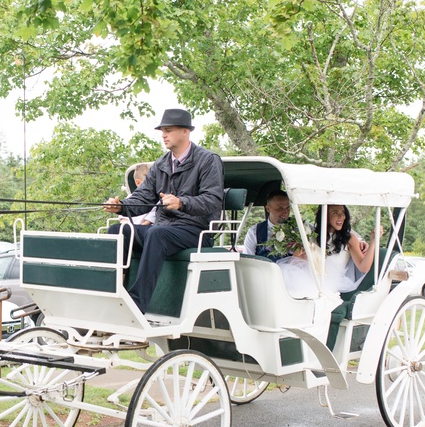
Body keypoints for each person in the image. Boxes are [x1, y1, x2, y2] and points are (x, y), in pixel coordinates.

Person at [104, 108, 224, 313]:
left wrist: (182, 203)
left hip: (195, 230)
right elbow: (143, 198)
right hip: (165, 229)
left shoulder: (208, 160)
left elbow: (212, 200)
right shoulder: (161, 165)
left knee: (157, 233)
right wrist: (121, 206)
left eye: (168, 130)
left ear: (185, 132)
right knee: (119, 231)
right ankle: (112, 293)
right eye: (162, 131)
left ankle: (136, 303)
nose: (163, 135)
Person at [277, 204, 379, 297]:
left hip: (330, 283)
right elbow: (297, 262)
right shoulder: (313, 236)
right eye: (335, 213)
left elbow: (363, 267)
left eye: (343, 213)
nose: (341, 217)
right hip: (310, 277)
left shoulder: (349, 238)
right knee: (283, 284)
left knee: (303, 292)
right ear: (325, 216)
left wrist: (373, 242)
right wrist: (300, 257)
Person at [242, 190, 290, 258]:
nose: (285, 212)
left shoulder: (300, 229)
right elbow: (248, 259)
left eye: (288, 208)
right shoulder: (254, 231)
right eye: (280, 208)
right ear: (268, 208)